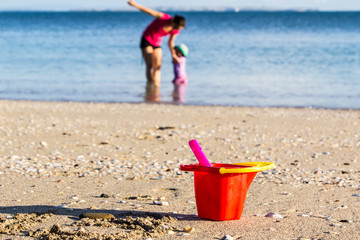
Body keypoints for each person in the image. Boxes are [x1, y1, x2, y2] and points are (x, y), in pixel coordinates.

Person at [127, 1, 186, 88]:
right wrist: (134, 4)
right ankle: (151, 87)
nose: (177, 29)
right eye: (176, 27)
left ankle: (157, 88)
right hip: (146, 39)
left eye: (178, 28)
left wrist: (173, 55)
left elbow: (170, 42)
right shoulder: (164, 18)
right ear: (173, 21)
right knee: (150, 65)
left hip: (157, 43)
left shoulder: (176, 30)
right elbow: (149, 11)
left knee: (158, 66)